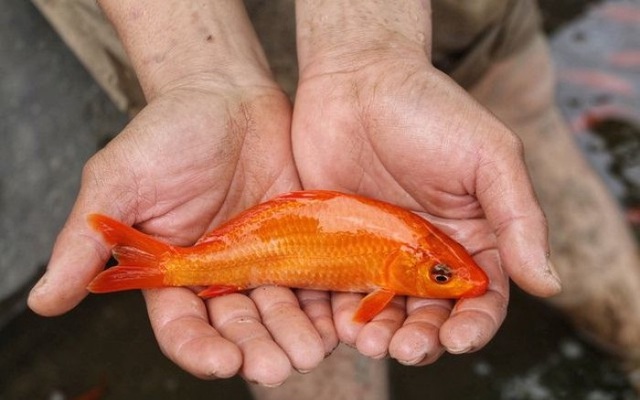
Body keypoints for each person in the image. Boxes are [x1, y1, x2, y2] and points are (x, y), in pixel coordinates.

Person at [27, 0, 640, 397]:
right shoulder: (384, 274)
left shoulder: (403, 255)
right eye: (441, 273)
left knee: (512, 136)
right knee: (309, 356)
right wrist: (198, 73)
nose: (460, 280)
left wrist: (370, 47)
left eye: (443, 272)